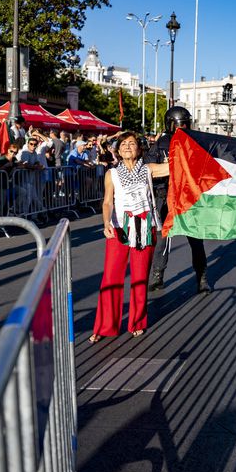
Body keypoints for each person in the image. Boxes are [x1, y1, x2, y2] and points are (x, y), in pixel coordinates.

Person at [90, 132, 170, 341]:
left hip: (145, 227)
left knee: (140, 277)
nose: (127, 146)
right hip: (119, 228)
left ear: (139, 149)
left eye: (132, 143)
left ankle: (137, 322)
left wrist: (180, 146)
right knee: (111, 277)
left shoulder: (148, 169)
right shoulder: (112, 174)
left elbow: (174, 167)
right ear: (118, 150)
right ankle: (105, 326)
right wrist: (106, 222)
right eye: (123, 144)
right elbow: (108, 202)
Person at [146, 106, 211, 292]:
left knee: (195, 239)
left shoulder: (195, 142)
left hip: (187, 197)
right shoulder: (160, 145)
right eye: (179, 124)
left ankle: (201, 277)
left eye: (185, 124)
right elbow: (147, 168)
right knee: (163, 239)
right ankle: (158, 275)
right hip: (165, 195)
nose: (182, 127)